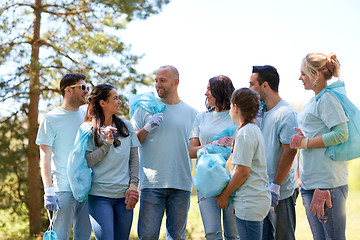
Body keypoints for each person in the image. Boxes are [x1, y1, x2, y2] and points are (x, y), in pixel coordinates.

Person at [131, 65, 198, 240]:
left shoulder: (192, 114)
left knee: (176, 237)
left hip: (181, 184)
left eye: (162, 80)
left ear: (176, 82)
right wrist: (146, 128)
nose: (157, 84)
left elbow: (197, 147)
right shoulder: (144, 109)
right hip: (152, 183)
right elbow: (131, 143)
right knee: (147, 236)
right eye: (156, 80)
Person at [290, 53, 349, 239]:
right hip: (310, 184)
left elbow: (341, 133)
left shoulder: (327, 98)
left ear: (317, 74)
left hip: (326, 185)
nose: (300, 77)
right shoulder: (314, 101)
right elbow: (319, 135)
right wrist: (304, 137)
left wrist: (306, 142)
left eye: (304, 73)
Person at [70, 84, 140, 239]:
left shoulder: (127, 126)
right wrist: (106, 144)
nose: (119, 102)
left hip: (124, 196)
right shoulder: (87, 130)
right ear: (102, 103)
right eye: (115, 98)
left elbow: (134, 159)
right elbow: (86, 161)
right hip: (99, 196)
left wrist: (133, 187)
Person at [36, 73, 92, 240]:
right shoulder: (51, 118)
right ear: (68, 90)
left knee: (84, 237)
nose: (86, 91)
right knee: (60, 236)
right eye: (82, 87)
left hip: (87, 187)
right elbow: (44, 156)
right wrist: (48, 190)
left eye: (87, 87)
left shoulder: (87, 115)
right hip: (63, 189)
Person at [249, 65, 299, 240]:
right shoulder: (260, 114)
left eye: (252, 84)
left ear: (265, 85)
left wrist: (276, 185)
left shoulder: (286, 113)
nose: (249, 88)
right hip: (261, 191)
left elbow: (290, 152)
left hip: (281, 192)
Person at [216, 87, 271, 240]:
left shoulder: (245, 132)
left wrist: (224, 196)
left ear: (236, 107)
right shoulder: (254, 129)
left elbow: (243, 171)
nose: (229, 111)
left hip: (251, 201)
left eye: (231, 106)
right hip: (255, 199)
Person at [189, 75, 239, 240]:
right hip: (207, 180)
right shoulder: (201, 117)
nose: (206, 93)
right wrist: (214, 143)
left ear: (221, 91)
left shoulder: (237, 116)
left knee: (233, 234)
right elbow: (191, 151)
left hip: (232, 182)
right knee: (212, 233)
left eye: (209, 89)